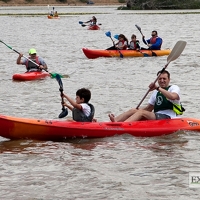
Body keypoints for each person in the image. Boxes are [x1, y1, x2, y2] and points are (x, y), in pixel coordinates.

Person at [109, 70, 185, 122]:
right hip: (157, 115)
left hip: (169, 117)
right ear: (157, 80)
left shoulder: (174, 88)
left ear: (169, 80)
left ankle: (123, 125)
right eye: (160, 79)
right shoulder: (156, 92)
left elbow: (172, 96)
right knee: (134, 110)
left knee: (141, 113)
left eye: (164, 79)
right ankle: (115, 120)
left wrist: (158, 88)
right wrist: (136, 111)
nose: (162, 81)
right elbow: (149, 108)